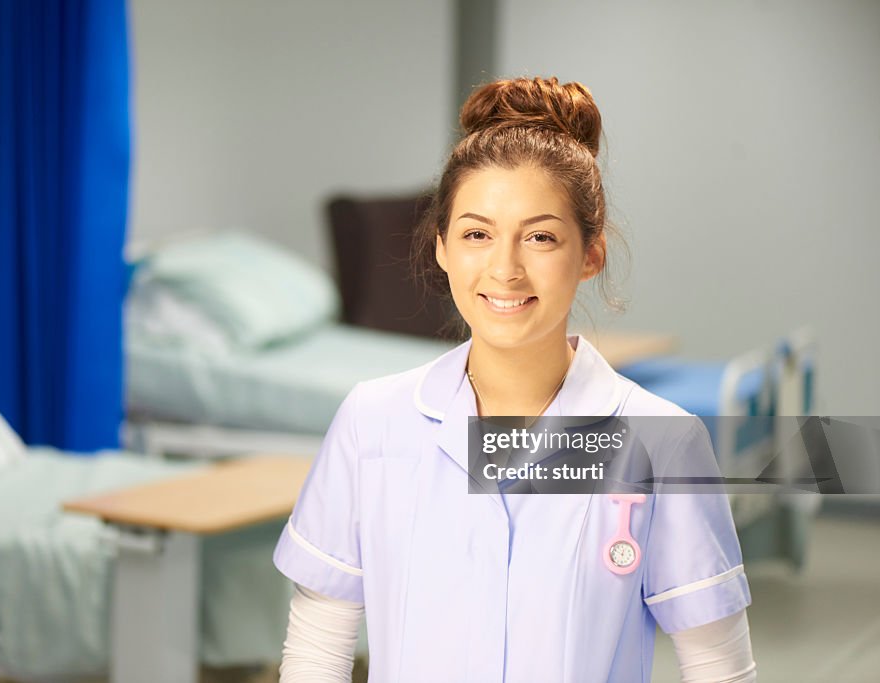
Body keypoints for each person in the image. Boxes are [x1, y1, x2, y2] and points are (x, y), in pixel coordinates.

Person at [273, 76, 756, 682]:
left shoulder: (661, 442)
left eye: (541, 237)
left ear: (591, 255)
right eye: (477, 234)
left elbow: (719, 668)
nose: (505, 268)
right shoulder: (373, 422)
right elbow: (318, 650)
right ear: (442, 247)